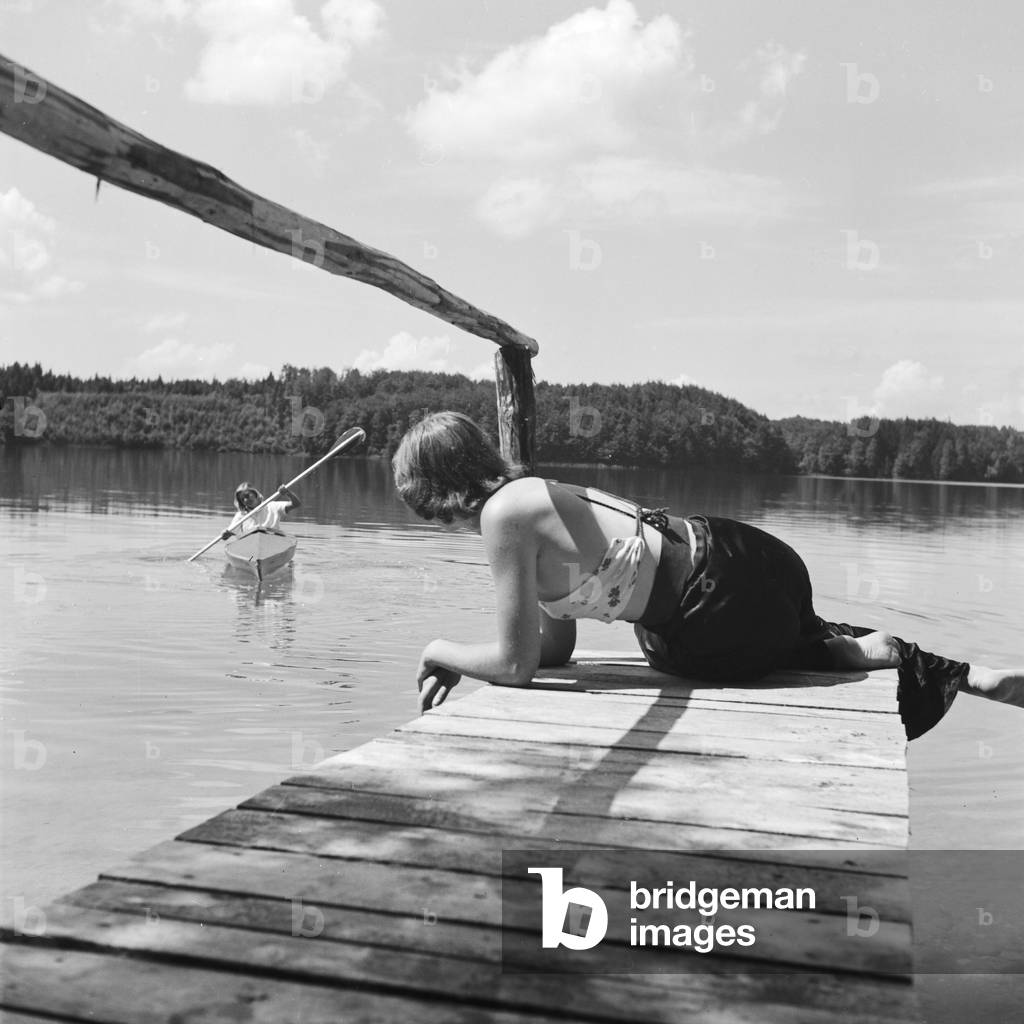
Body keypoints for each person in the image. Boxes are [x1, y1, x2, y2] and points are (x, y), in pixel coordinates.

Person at [392, 411, 1024, 736]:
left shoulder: (501, 516)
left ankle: (859, 650)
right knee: (782, 631)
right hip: (751, 554)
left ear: (435, 487)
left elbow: (516, 668)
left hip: (717, 611)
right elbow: (554, 651)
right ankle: (970, 674)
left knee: (663, 645)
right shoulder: (537, 497)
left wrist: (437, 649)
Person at [221, 481, 301, 540]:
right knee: (250, 556)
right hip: (251, 551)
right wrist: (225, 533)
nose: (246, 500)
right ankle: (251, 560)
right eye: (242, 499)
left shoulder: (273, 506)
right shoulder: (241, 515)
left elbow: (296, 504)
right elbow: (228, 534)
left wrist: (288, 493)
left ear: (255, 493)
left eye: (247, 495)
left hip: (273, 543)